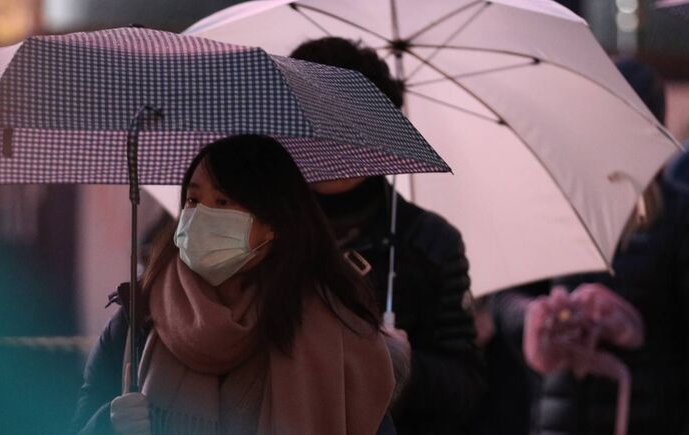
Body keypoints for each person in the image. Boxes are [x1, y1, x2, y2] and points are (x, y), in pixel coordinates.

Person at [69, 134, 402, 435]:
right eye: (192, 201)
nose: (199, 216)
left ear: (273, 223)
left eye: (223, 203)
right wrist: (107, 424)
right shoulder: (140, 315)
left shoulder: (333, 327)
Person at [290, 37, 486, 435]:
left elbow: (466, 388)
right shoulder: (263, 229)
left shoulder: (429, 242)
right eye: (310, 115)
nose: (326, 137)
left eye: (344, 119)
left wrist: (403, 365)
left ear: (379, 127)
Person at [492, 58, 689, 435]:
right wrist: (536, 315)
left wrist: (628, 325)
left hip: (647, 417)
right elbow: (506, 299)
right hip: (559, 419)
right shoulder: (557, 204)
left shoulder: (678, 214)